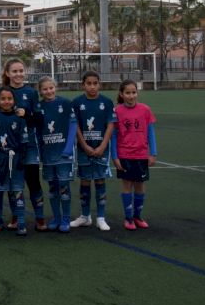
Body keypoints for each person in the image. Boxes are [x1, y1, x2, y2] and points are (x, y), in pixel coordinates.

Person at [70, 71, 117, 232]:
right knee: (84, 181)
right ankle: (85, 216)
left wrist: (103, 145)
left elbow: (111, 125)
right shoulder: (77, 102)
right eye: (88, 83)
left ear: (99, 84)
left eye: (95, 83)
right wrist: (84, 145)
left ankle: (101, 218)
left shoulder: (107, 102)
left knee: (99, 180)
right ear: (83, 85)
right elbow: (75, 125)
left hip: (101, 148)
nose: (92, 86)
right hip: (84, 149)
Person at [4, 58, 45, 230]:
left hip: (29, 145)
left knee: (33, 181)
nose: (18, 74)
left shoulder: (31, 92)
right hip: (10, 147)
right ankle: (16, 216)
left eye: (21, 71)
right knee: (14, 183)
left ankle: (40, 217)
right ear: (8, 73)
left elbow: (39, 118)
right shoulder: (3, 92)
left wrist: (26, 114)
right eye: (14, 71)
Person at [112, 80, 157, 230]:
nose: (131, 96)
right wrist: (115, 156)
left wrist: (153, 153)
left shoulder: (145, 110)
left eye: (134, 92)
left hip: (141, 155)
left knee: (140, 186)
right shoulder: (117, 111)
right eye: (128, 93)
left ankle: (137, 216)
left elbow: (151, 133)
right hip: (124, 155)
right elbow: (114, 136)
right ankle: (128, 218)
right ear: (121, 94)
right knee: (127, 186)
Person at [35, 76, 76, 232]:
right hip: (48, 154)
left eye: (51, 88)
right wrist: (40, 151)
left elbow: (73, 125)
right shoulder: (39, 107)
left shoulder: (65, 103)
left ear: (55, 88)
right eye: (45, 89)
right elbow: (37, 131)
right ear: (40, 91)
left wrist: (68, 148)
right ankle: (56, 217)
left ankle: (65, 218)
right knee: (52, 187)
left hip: (63, 154)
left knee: (64, 186)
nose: (49, 91)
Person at [0, 87, 29, 235]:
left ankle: (21, 222)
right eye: (3, 99)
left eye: (9, 99)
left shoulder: (19, 118)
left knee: (17, 190)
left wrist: (22, 158)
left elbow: (24, 141)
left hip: (16, 158)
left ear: (14, 100)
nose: (6, 102)